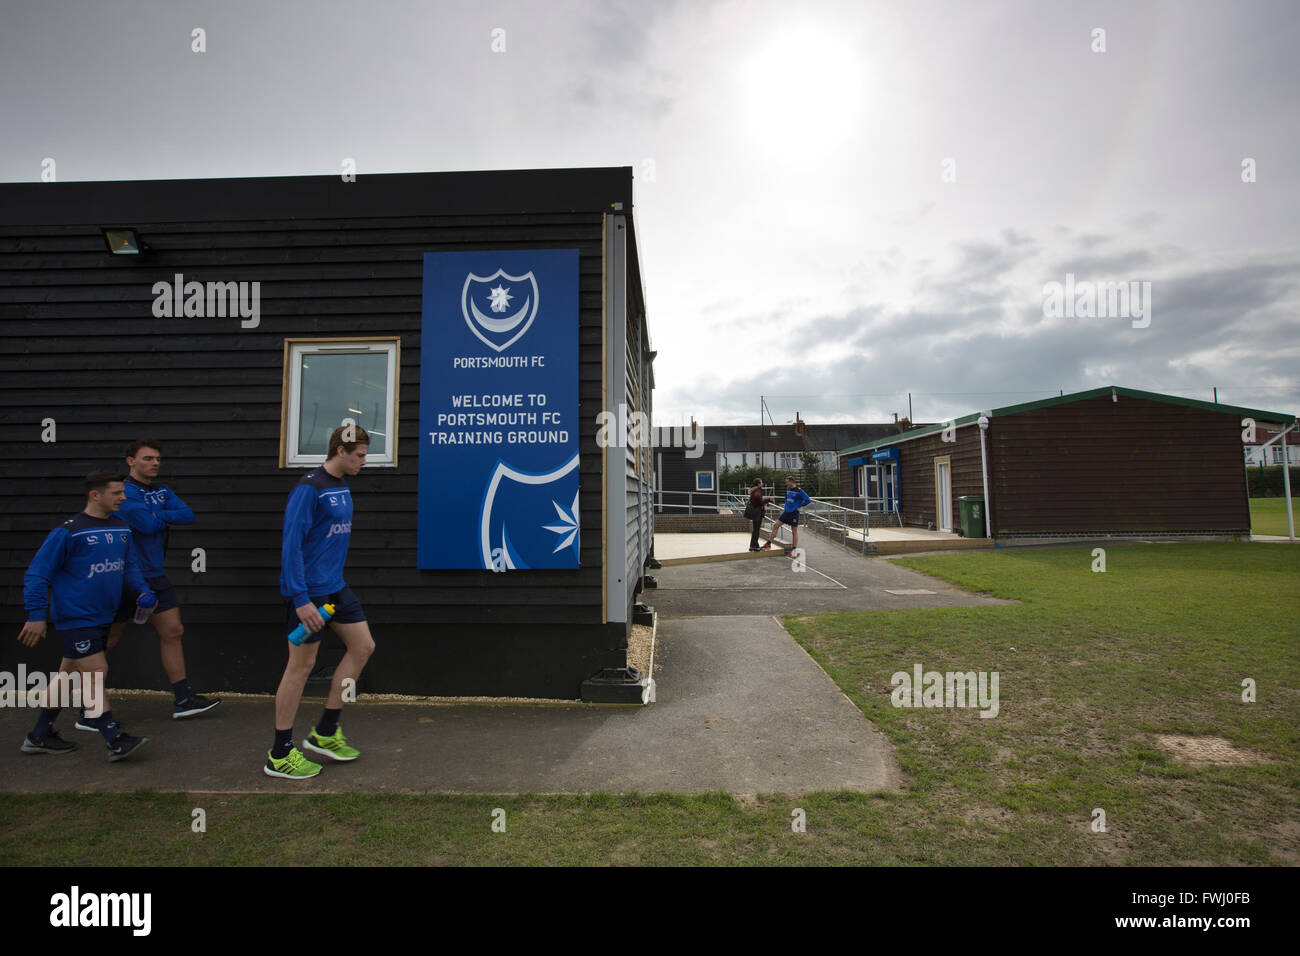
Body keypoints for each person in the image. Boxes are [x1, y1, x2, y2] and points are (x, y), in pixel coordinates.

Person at [18, 470, 155, 761]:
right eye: (116, 493)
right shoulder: (68, 532)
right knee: (95, 672)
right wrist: (36, 615)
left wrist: (142, 591)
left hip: (103, 616)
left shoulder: (121, 528)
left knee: (67, 675)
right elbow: (38, 574)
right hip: (76, 617)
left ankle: (39, 734)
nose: (123, 497)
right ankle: (114, 740)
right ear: (95, 495)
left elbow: (129, 566)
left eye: (123, 492)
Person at [265, 425, 376, 779]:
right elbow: (291, 545)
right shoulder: (308, 489)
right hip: (309, 593)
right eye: (359, 455)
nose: (364, 461)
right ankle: (280, 753)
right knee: (300, 666)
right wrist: (300, 599)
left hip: (335, 588)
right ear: (340, 451)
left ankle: (326, 731)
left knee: (363, 647)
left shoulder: (342, 486)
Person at [89, 439, 219, 725]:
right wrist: (159, 518)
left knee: (173, 630)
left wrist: (156, 515)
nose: (155, 463)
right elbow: (146, 525)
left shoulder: (162, 491)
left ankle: (183, 699)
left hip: (154, 573)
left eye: (157, 459)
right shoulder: (123, 492)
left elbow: (187, 515)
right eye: (147, 458)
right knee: (107, 639)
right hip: (126, 576)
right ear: (130, 461)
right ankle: (89, 708)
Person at [760, 475, 812, 553]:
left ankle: (794, 550)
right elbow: (786, 498)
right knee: (776, 525)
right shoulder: (788, 489)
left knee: (794, 531)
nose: (786, 484)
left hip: (794, 513)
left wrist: (799, 506)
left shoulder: (799, 490)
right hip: (786, 512)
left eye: (787, 482)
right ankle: (768, 543)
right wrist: (786, 505)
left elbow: (808, 500)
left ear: (791, 482)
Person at [745, 478, 772, 551]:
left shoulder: (754, 491)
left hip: (755, 513)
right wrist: (769, 499)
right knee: (756, 530)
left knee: (755, 530)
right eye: (761, 482)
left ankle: (754, 546)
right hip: (757, 513)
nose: (762, 483)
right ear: (759, 484)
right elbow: (760, 502)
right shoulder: (757, 491)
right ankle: (754, 546)